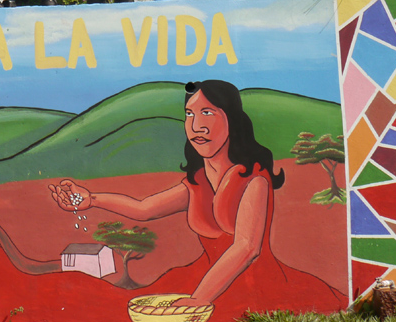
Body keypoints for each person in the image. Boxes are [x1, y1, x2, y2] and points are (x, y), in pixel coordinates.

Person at [49, 80, 288, 308]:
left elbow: (247, 248)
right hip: (208, 291)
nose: (196, 126)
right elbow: (144, 209)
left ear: (232, 120)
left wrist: (198, 301)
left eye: (208, 113)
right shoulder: (198, 182)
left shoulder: (254, 179)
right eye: (189, 114)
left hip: (256, 294)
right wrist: (91, 199)